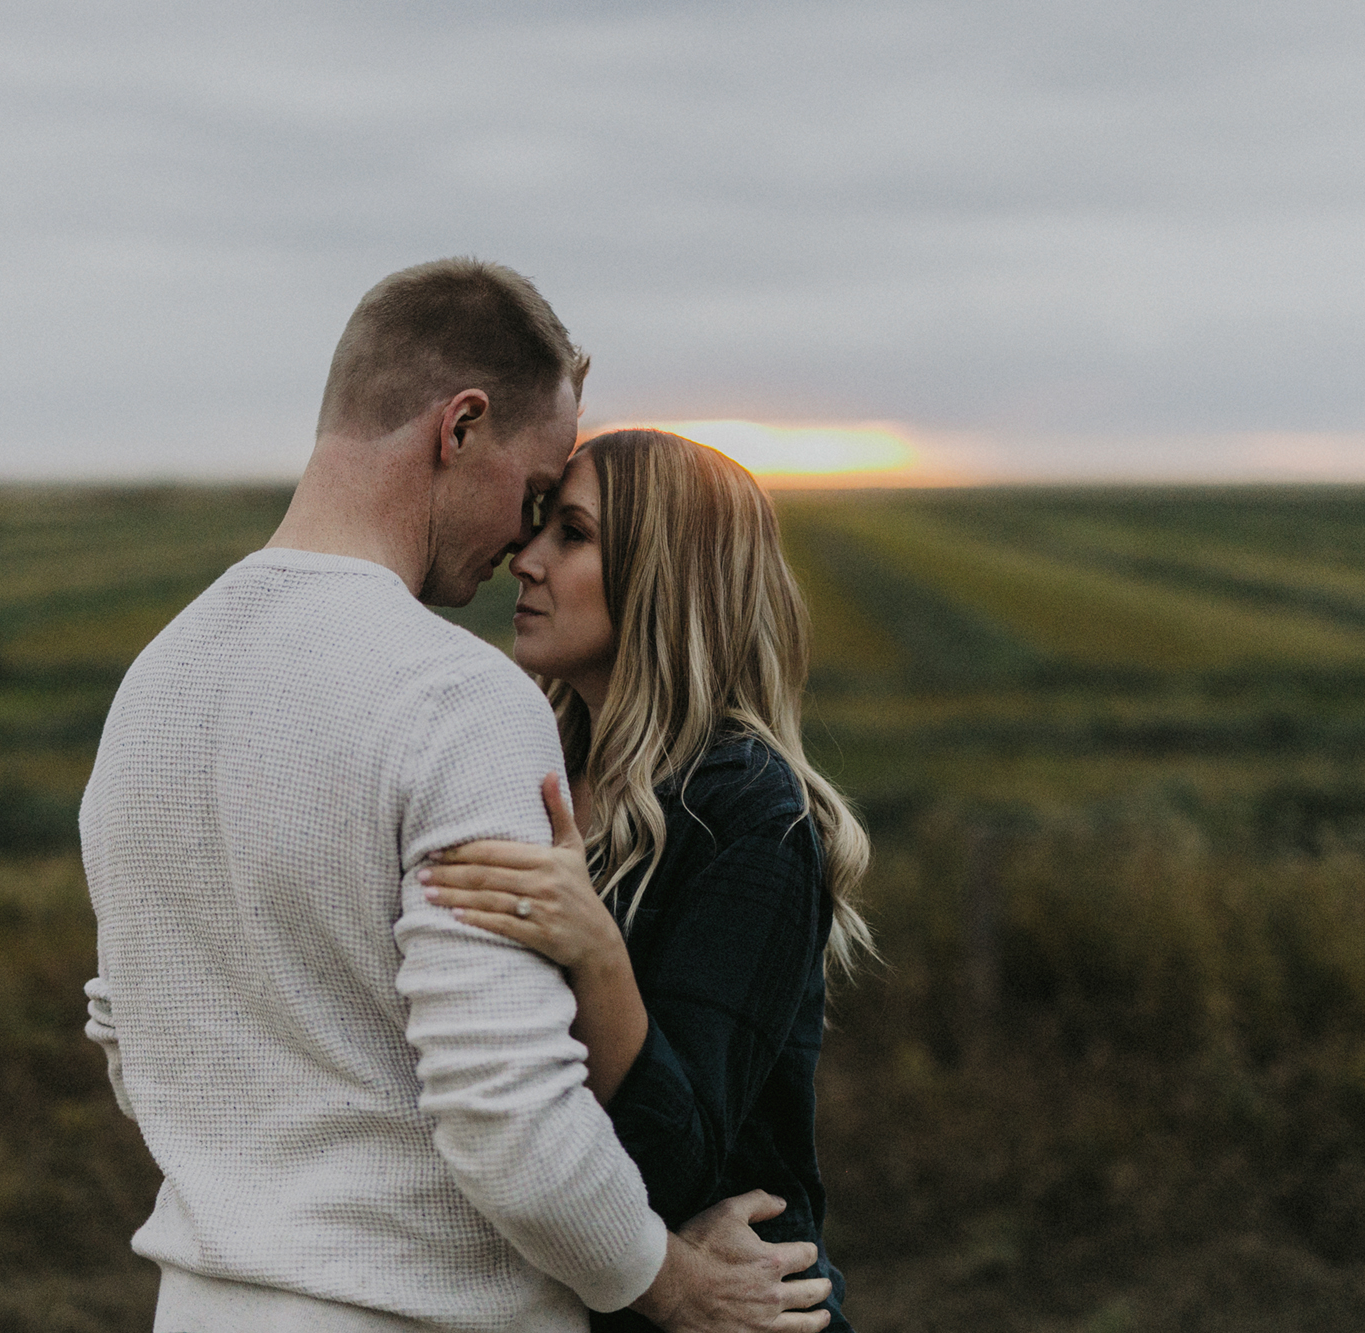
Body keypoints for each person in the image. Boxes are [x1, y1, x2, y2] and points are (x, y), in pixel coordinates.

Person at [80, 260, 833, 1333]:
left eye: (559, 525)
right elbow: (507, 1112)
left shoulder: (156, 678)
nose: (515, 549)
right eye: (533, 499)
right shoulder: (459, 701)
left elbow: (133, 1034)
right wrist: (669, 1281)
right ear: (460, 426)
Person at [419, 429, 873, 1332]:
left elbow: (676, 1163)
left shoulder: (752, 815)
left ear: (666, 577)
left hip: (740, 1307)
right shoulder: (530, 769)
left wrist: (596, 955)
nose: (526, 558)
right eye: (538, 527)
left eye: (572, 535)